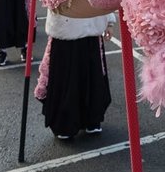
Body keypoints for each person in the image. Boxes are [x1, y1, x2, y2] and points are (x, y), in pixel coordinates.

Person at [36, 9, 115, 140]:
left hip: (91, 30)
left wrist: (110, 22)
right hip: (64, 30)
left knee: (92, 77)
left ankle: (92, 119)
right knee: (66, 80)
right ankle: (64, 123)